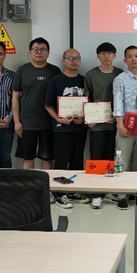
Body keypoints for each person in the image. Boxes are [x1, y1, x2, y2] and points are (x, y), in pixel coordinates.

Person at [44, 48, 89, 209]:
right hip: (61, 129)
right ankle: (59, 193)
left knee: (77, 161)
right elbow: (48, 105)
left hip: (80, 129)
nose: (74, 61)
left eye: (77, 58)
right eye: (70, 58)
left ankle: (72, 191)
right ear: (63, 60)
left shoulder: (84, 80)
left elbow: (89, 104)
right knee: (62, 162)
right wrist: (58, 119)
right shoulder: (56, 81)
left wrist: (83, 118)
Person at [12, 37, 60, 171]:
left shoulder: (55, 71)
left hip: (49, 123)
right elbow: (15, 97)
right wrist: (16, 121)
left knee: (47, 158)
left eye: (43, 49)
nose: (39, 52)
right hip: (27, 123)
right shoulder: (22, 70)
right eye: (36, 49)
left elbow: (60, 98)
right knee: (28, 157)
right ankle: (29, 184)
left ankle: (46, 184)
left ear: (48, 52)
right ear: (30, 52)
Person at [85, 42, 123, 209]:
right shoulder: (91, 74)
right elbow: (87, 98)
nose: (106, 56)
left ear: (115, 55)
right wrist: (89, 117)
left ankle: (106, 191)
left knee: (110, 159)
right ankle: (96, 194)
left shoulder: (120, 74)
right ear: (98, 56)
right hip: (97, 126)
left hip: (115, 125)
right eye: (103, 53)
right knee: (96, 159)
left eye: (109, 53)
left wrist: (117, 117)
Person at [112, 45, 137, 210]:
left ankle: (133, 191)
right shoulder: (120, 79)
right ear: (125, 60)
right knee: (122, 161)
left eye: (136, 56)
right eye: (130, 56)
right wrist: (120, 124)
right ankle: (121, 196)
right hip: (125, 127)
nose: (133, 59)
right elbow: (117, 102)